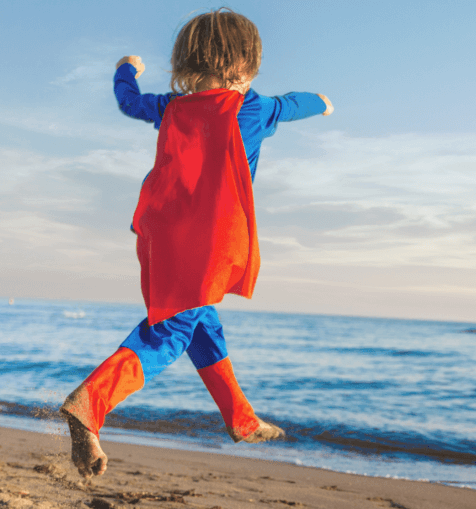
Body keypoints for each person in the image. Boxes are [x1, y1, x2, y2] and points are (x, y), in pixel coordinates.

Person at [60, 8, 333, 479]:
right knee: (172, 330)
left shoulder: (169, 106)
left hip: (163, 234)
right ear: (248, 67)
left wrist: (125, 69)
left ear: (185, 63)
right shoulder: (255, 107)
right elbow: (297, 102)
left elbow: (129, 102)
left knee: (201, 319)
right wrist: (324, 102)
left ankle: (240, 418)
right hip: (211, 240)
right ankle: (90, 404)